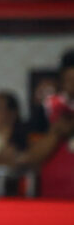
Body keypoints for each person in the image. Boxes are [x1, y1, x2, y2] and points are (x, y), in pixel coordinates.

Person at [20, 50, 74, 198]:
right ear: (61, 81)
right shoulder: (46, 109)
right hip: (53, 196)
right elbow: (31, 157)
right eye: (70, 80)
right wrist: (56, 133)